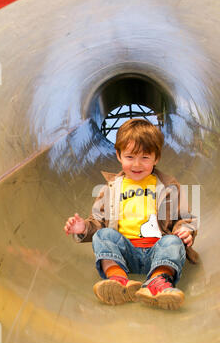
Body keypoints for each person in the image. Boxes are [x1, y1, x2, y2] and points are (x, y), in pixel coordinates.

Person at [64, 118, 198, 310]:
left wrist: (185, 230)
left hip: (157, 251)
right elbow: (98, 222)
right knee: (103, 235)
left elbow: (185, 217)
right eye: (129, 157)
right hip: (124, 253)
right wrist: (83, 228)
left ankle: (157, 281)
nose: (137, 164)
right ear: (118, 155)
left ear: (156, 158)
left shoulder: (168, 186)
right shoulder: (110, 188)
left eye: (145, 157)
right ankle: (118, 279)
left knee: (174, 243)